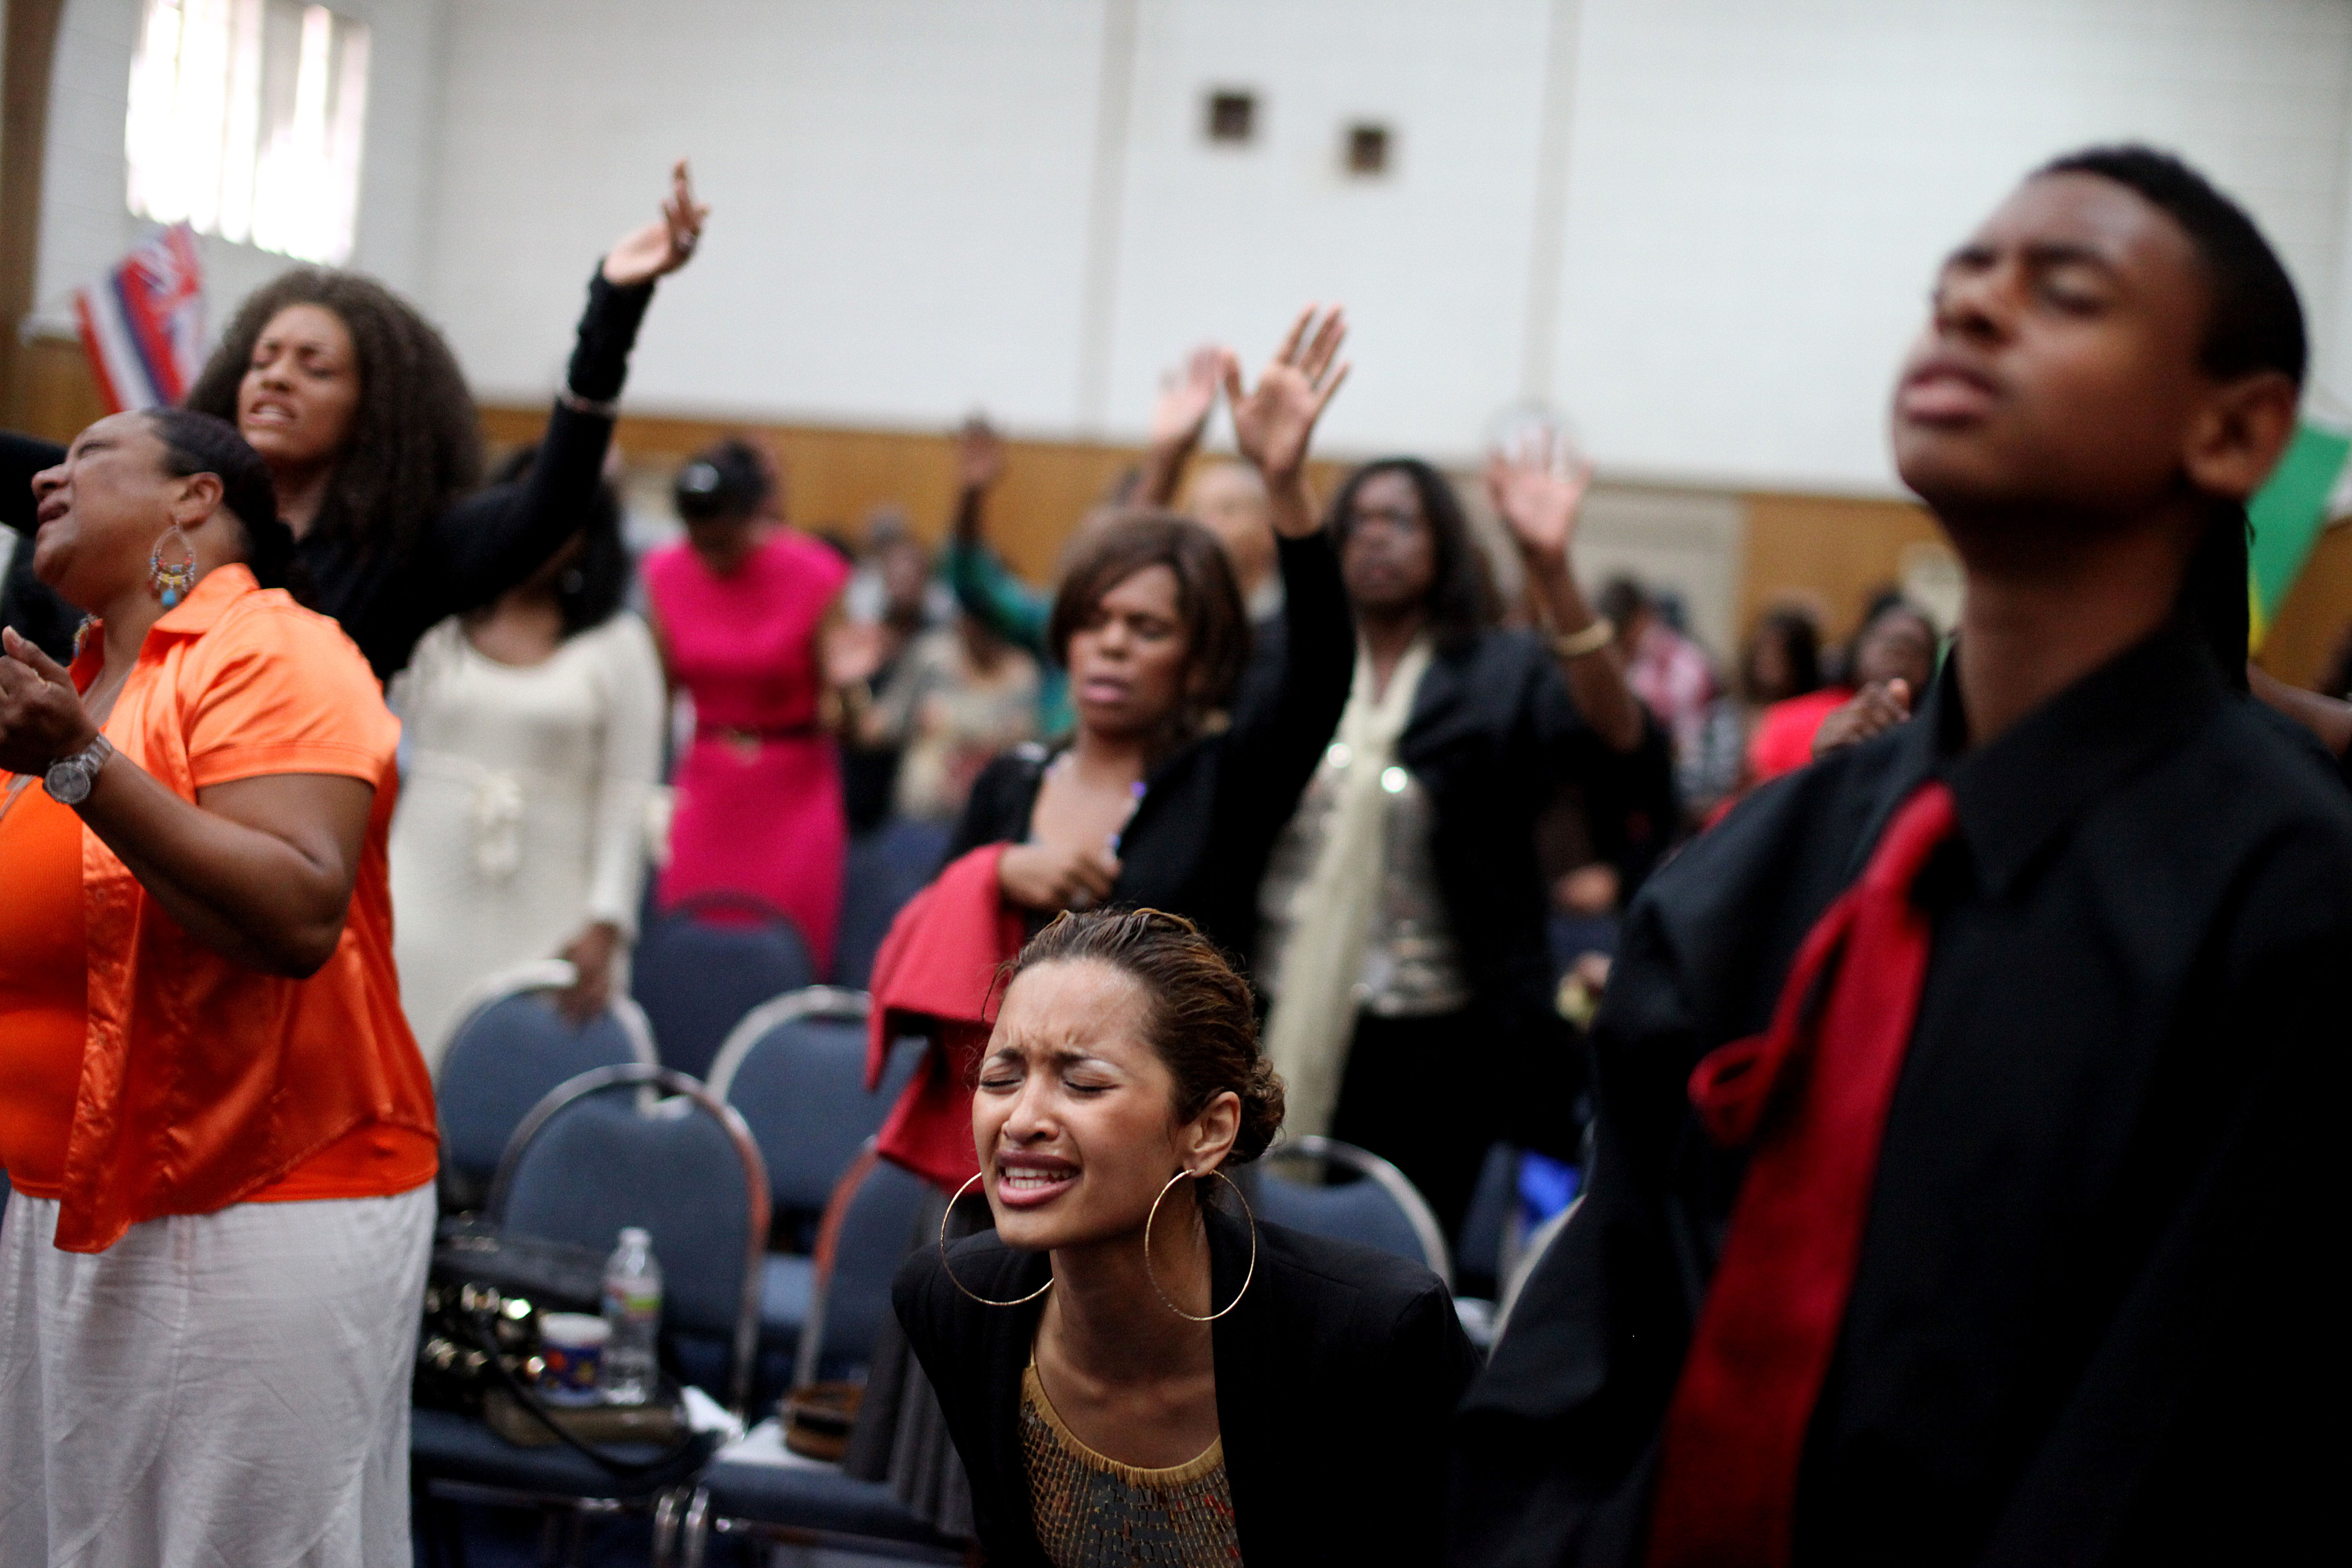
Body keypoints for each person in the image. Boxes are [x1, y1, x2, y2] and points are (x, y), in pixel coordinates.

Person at [1454, 146, 2352, 1568]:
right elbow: (1594, 1318)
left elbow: (2184, 1427)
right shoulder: (1765, 860)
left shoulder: (2291, 890)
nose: (1971, 312)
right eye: (1952, 287)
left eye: (2060, 291)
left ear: (2233, 433)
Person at [0, 410, 434, 1566]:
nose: (52, 474)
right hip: (68, 1200)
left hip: (261, 1198)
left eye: (91, 455)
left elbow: (297, 910)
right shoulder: (80, 681)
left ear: (194, 502)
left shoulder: (275, 649)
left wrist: (78, 769)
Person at [893, 907, 1477, 1568]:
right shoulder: (951, 1304)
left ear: (1206, 1132)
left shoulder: (1375, 1335)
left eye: (1083, 1084)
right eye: (1002, 1079)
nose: (1022, 1119)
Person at [1, 164, 706, 683]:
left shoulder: (409, 551)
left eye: (316, 367)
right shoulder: (158, 500)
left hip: (275, 846)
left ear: (375, 413)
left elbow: (551, 503)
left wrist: (613, 305)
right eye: (264, 358)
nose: (277, 375)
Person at [1253, 440, 1666, 1242]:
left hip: (1435, 1039)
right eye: (1360, 519)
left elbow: (1619, 736)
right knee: (1256, 1254)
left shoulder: (1498, 669)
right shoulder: (1284, 659)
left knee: (1399, 1265)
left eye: (1401, 520)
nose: (1376, 536)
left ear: (1443, 544)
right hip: (1267, 1010)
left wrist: (1551, 569)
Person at [387, 444, 665, 1068]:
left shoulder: (619, 644)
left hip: (554, 903)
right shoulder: (437, 624)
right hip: (419, 888)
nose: (537, 530)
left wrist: (608, 920)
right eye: (521, 509)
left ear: (589, 538)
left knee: (525, 1082)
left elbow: (631, 795)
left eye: (559, 516)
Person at [644, 436, 855, 974]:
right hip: (707, 784)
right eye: (696, 538)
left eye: (722, 540)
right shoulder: (664, 573)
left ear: (753, 516)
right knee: (689, 955)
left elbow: (846, 714)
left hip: (793, 789)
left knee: (786, 956)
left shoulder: (816, 574)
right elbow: (660, 699)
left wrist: (853, 689)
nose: (708, 554)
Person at [1746, 593, 1939, 781]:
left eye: (1913, 646)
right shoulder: (1787, 721)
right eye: (1887, 640)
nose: (1896, 652)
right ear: (1859, 646)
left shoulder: (1938, 739)